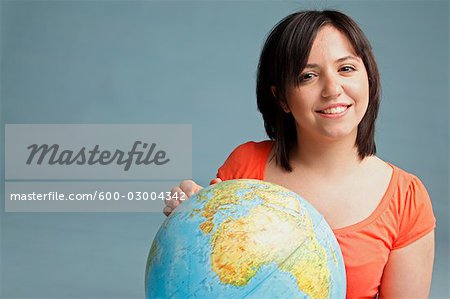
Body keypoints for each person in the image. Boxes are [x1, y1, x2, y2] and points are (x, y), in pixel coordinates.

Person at [163, 10, 435, 298]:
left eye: (346, 69)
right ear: (281, 97)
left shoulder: (407, 199)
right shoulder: (244, 167)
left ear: (368, 76)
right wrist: (190, 219)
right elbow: (204, 281)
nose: (332, 89)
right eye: (308, 76)